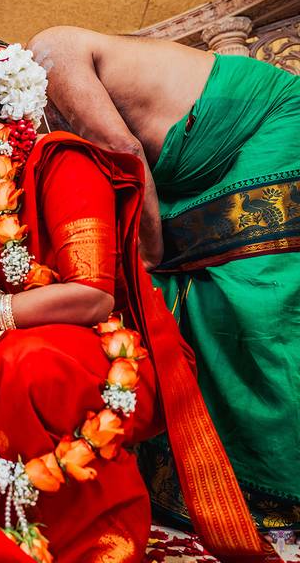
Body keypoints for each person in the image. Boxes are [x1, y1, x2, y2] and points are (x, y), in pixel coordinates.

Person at [0, 40, 275, 562]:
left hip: (100, 355)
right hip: (16, 348)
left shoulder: (63, 162)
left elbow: (92, 296)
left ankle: (39, 539)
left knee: (19, 362)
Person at [27, 26, 300, 529]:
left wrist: (148, 252)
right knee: (180, 302)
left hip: (265, 124)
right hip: (182, 175)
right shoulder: (29, 123)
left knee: (258, 294)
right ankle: (223, 478)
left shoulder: (46, 53)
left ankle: (287, 482)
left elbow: (123, 150)